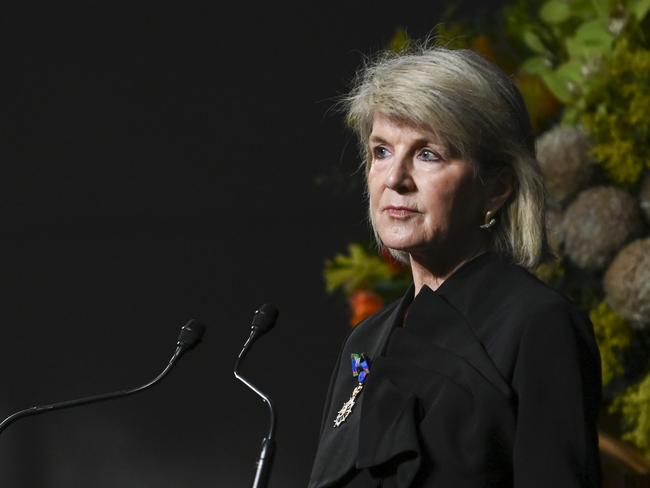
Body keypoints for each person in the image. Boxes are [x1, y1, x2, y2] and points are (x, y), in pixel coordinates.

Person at [308, 45, 602, 488]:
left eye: (429, 154)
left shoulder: (538, 324)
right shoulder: (365, 340)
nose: (394, 179)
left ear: (496, 188)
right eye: (382, 151)